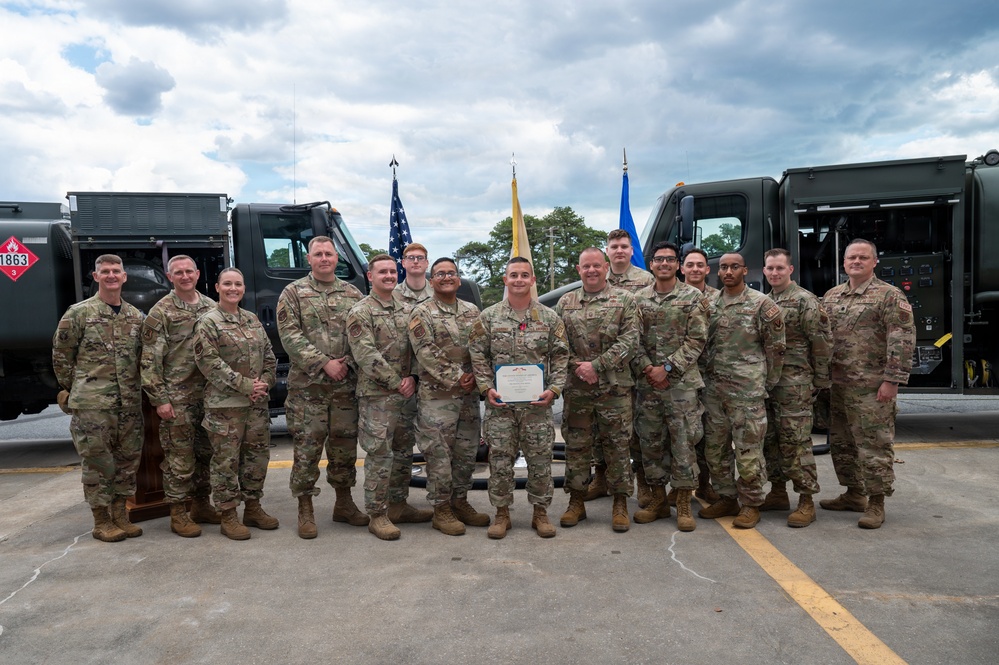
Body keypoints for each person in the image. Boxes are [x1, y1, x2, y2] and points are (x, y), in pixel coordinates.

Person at [468, 257, 569, 539]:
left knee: (540, 461)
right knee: (500, 461)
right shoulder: (488, 317)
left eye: (525, 275)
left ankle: (540, 512)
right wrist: (486, 387)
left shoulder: (549, 318)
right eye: (514, 275)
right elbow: (477, 355)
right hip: (500, 406)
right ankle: (502, 514)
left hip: (537, 407)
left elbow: (561, 356)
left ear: (532, 280)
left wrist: (555, 389)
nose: (519, 280)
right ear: (505, 280)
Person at [277, 236, 367, 539]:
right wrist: (323, 363)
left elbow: (363, 336)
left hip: (344, 386)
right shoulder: (293, 293)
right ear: (309, 259)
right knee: (307, 448)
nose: (325, 258)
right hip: (308, 389)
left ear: (336, 258)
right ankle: (305, 508)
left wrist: (347, 362)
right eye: (318, 254)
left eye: (329, 253)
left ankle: (344, 503)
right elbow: (289, 336)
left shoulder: (353, 294)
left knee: (344, 448)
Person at [821, 239, 915, 529]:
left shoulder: (889, 295)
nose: (856, 261)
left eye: (863, 257)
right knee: (842, 444)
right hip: (838, 386)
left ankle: (876, 503)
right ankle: (854, 494)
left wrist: (892, 380)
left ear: (875, 262)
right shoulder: (832, 296)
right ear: (844, 262)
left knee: (874, 446)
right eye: (852, 257)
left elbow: (901, 339)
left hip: (871, 388)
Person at [52, 254, 145, 542]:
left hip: (128, 403)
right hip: (93, 405)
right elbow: (61, 356)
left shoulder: (136, 316)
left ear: (124, 276)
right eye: (105, 271)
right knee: (97, 463)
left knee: (127, 462)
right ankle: (101, 520)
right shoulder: (79, 313)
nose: (111, 275)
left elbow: (142, 358)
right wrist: (76, 389)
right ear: (96, 277)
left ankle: (120, 515)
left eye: (116, 271)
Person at [346, 254, 433, 540]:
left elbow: (420, 348)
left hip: (405, 394)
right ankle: (377, 513)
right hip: (377, 396)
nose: (388, 276)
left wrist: (414, 378)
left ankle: (398, 505)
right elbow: (365, 354)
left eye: (392, 271)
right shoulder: (361, 311)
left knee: (404, 452)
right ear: (370, 276)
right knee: (380, 454)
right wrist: (397, 382)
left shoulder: (408, 310)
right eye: (382, 272)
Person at [556, 247, 640, 532]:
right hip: (578, 390)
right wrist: (579, 367)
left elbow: (630, 340)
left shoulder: (625, 300)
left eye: (596, 265)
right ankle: (576, 502)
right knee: (577, 446)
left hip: (614, 389)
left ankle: (620, 503)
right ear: (578, 270)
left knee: (617, 446)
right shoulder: (566, 302)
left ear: (605, 267)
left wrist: (597, 366)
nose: (591, 270)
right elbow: (556, 344)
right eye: (586, 266)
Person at [699, 252, 785, 529]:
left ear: (745, 270)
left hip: (747, 392)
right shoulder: (709, 304)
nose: (728, 271)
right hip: (714, 391)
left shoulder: (761, 304)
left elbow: (776, 349)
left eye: (734, 267)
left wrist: (765, 383)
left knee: (748, 451)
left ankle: (751, 503)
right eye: (724, 267)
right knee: (715, 449)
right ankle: (727, 498)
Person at [631, 242, 710, 532]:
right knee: (650, 443)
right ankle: (658, 500)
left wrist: (666, 368)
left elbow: (697, 340)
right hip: (648, 385)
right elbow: (632, 340)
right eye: (659, 259)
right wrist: (647, 368)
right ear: (651, 264)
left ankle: (684, 503)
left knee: (683, 444)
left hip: (681, 386)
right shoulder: (637, 299)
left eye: (670, 259)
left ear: (678, 265)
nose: (664, 263)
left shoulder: (693, 297)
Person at [194, 268, 277, 540]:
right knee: (226, 461)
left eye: (238, 284)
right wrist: (245, 385)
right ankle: (228, 515)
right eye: (227, 284)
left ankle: (253, 507)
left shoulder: (251, 319)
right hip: (225, 406)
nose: (233, 288)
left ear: (243, 288)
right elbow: (209, 363)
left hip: (256, 404)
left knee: (256, 458)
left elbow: (269, 356)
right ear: (217, 287)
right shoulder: (208, 322)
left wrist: (264, 383)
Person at [409, 258, 489, 536]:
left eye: (451, 273)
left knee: (466, 452)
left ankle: (460, 501)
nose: (446, 277)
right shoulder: (422, 312)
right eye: (440, 274)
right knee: (439, 455)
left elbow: (481, 347)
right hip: (438, 398)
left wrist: (477, 377)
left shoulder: (471, 311)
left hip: (468, 397)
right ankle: (441, 509)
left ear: (458, 278)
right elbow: (425, 351)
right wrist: (458, 376)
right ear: (431, 280)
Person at [141, 255, 220, 538]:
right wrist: (159, 398)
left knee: (206, 453)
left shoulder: (212, 307)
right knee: (180, 458)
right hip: (177, 397)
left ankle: (201, 505)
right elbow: (150, 360)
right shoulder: (161, 312)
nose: (185, 276)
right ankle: (178, 513)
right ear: (169, 276)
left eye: (189, 271)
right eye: (179, 273)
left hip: (209, 396)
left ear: (197, 274)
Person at [760, 249, 833, 528]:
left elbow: (821, 343)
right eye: (770, 268)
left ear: (790, 269)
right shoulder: (764, 301)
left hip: (795, 383)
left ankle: (806, 500)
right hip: (768, 383)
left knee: (796, 442)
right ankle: (778, 492)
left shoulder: (805, 301)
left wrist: (820, 382)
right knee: (770, 440)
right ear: (764, 271)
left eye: (780, 268)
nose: (774, 273)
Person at [588, 229, 655, 505]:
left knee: (638, 429)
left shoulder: (646, 280)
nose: (619, 251)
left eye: (624, 246)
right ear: (607, 251)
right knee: (599, 427)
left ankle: (643, 482)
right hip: (604, 369)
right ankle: (601, 477)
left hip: (638, 365)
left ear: (631, 250)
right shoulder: (597, 277)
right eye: (614, 246)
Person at [681, 247, 720, 503]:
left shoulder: (719, 298)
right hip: (681, 378)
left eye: (699, 265)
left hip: (713, 377)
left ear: (707, 269)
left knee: (710, 435)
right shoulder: (674, 296)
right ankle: (679, 487)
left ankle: (705, 484)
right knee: (681, 435)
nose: (695, 269)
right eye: (690, 264)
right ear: (682, 268)